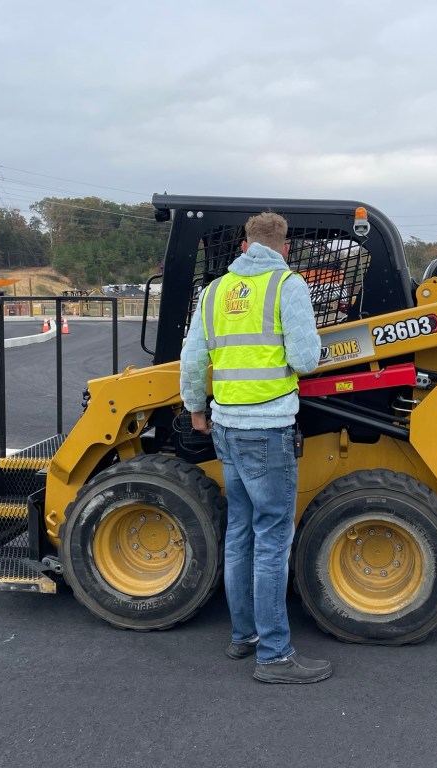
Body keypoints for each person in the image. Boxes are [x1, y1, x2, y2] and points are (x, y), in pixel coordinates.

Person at [180, 212, 330, 684]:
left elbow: (192, 358)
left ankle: (243, 636)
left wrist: (195, 409)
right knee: (271, 541)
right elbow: (306, 359)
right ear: (283, 248)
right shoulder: (287, 286)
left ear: (245, 247)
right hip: (268, 431)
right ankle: (274, 656)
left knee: (241, 533)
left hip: (225, 427)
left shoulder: (214, 292)